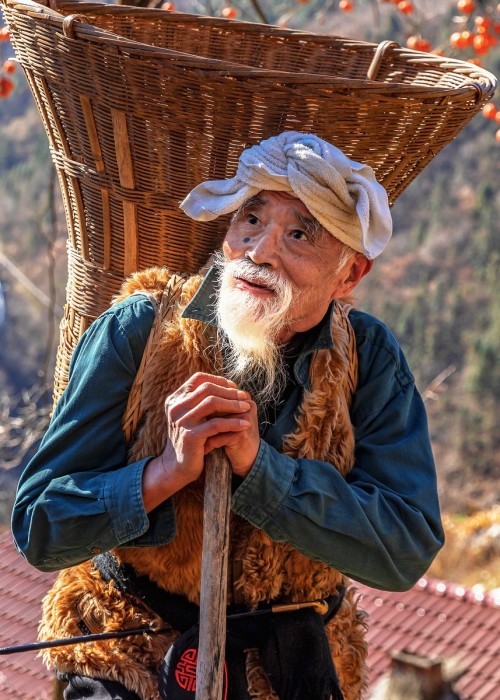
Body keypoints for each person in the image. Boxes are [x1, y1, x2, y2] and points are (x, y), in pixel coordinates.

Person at [12, 132, 444, 700]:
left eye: (299, 235)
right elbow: (40, 527)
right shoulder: (140, 330)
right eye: (250, 219)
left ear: (349, 275)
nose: (260, 251)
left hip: (294, 669)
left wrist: (261, 471)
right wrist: (162, 473)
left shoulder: (369, 358)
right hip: (130, 651)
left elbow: (404, 549)